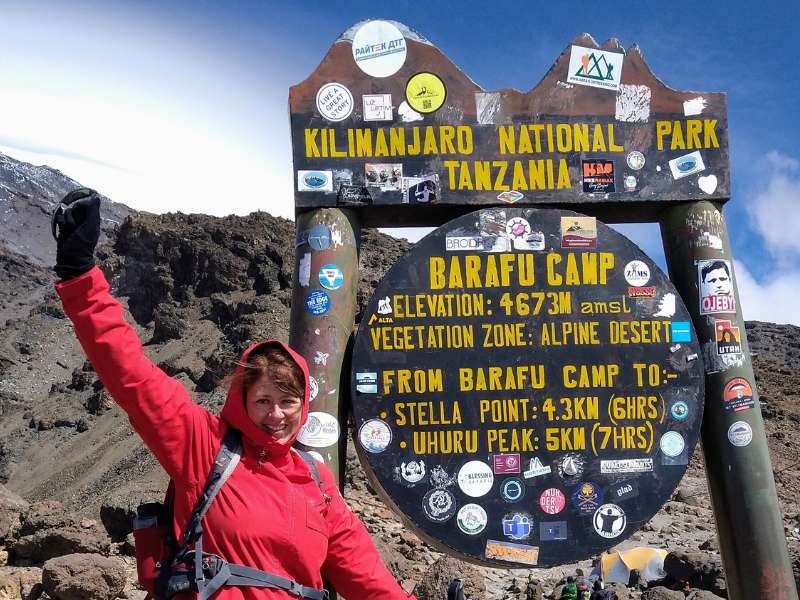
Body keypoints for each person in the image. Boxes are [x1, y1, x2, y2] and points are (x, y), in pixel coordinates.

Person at [51, 188, 412, 599]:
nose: (276, 415)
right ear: (242, 400)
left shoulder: (317, 485)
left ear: (303, 405)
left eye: (288, 402)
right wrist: (80, 276)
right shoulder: (203, 446)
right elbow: (129, 373)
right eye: (262, 401)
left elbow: (371, 582)